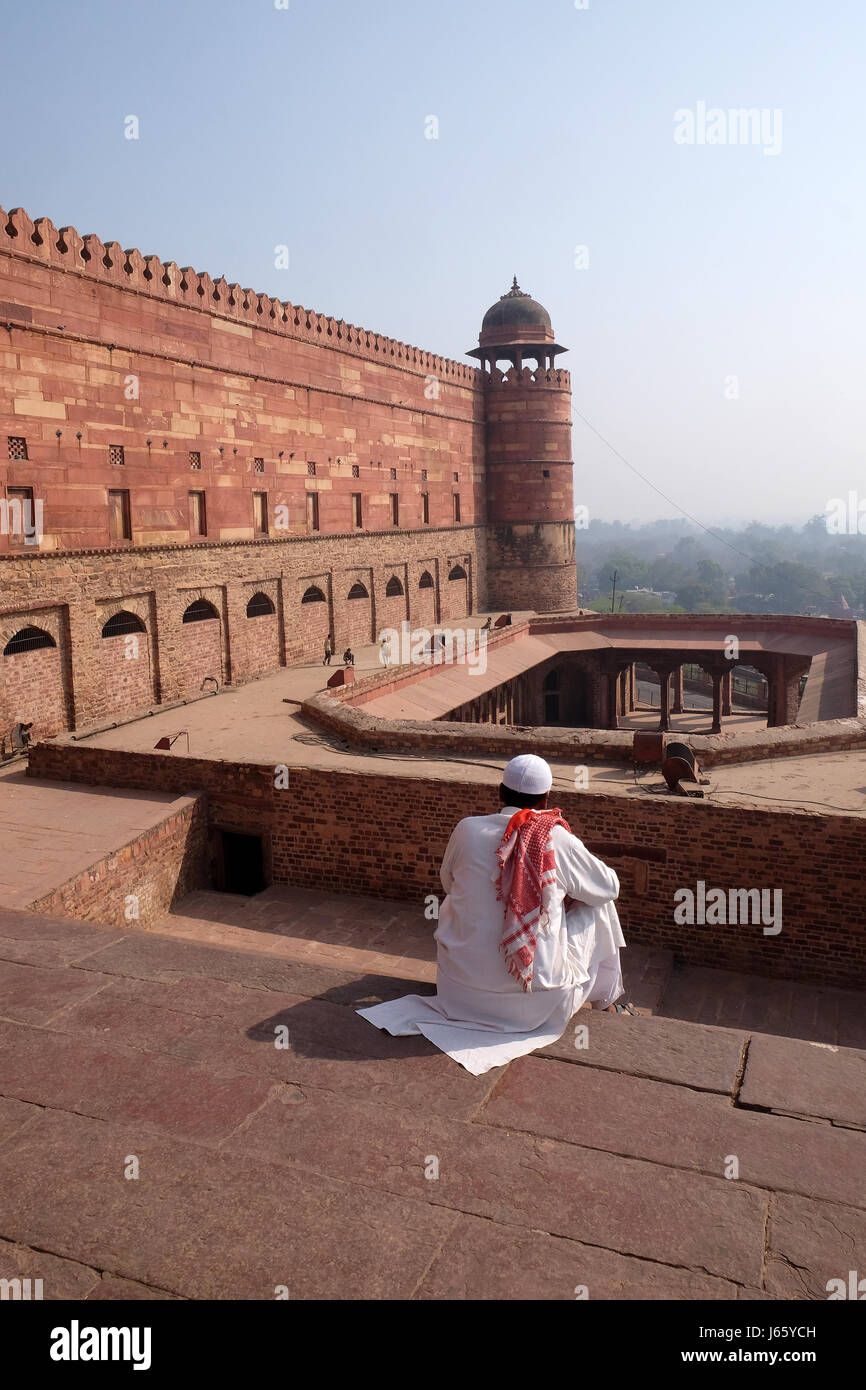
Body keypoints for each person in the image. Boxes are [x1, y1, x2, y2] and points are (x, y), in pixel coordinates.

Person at [357, 754, 631, 1075]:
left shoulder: (466, 829)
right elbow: (608, 886)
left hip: (457, 993)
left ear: (500, 792)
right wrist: (554, 894)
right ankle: (609, 1000)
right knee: (599, 904)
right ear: (546, 799)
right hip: (531, 1010)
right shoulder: (556, 839)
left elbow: (448, 881)